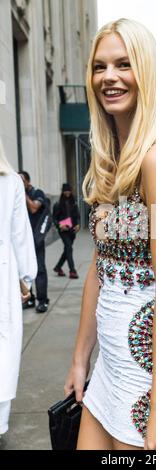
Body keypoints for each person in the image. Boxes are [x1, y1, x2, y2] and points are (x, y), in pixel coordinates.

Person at [64, 18, 156, 451]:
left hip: (151, 364)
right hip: (111, 359)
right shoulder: (112, 160)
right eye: (99, 67)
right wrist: (80, 359)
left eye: (123, 64)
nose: (109, 77)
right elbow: (98, 270)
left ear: (144, 70)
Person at [0, 139, 37, 436]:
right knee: (3, 348)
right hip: (2, 276)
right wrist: (27, 278)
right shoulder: (10, 182)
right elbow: (20, 234)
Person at [18, 171, 49, 314]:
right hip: (22, 240)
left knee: (40, 269)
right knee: (24, 269)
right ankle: (29, 298)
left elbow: (34, 207)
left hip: (36, 239)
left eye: (21, 180)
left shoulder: (38, 193)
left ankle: (42, 301)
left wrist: (22, 193)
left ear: (27, 181)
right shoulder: (16, 195)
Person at [53, 183, 80, 279]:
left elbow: (77, 216)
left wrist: (77, 224)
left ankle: (58, 267)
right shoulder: (58, 204)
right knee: (69, 248)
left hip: (72, 230)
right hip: (63, 230)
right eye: (65, 190)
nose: (67, 192)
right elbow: (54, 218)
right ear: (63, 191)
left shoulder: (74, 203)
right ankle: (72, 271)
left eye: (68, 190)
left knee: (67, 249)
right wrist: (60, 225)